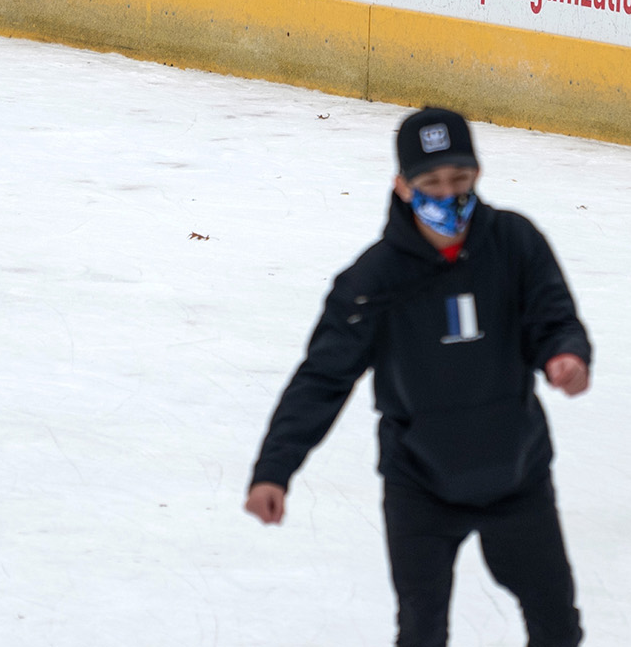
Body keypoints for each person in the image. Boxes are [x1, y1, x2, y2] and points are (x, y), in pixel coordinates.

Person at [246, 107, 593, 647]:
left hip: (516, 471)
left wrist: (565, 355)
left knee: (556, 623)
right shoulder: (373, 279)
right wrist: (274, 469)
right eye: (431, 183)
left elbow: (553, 317)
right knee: (422, 629)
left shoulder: (514, 242)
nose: (448, 194)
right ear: (402, 186)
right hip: (420, 482)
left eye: (460, 178)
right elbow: (323, 378)